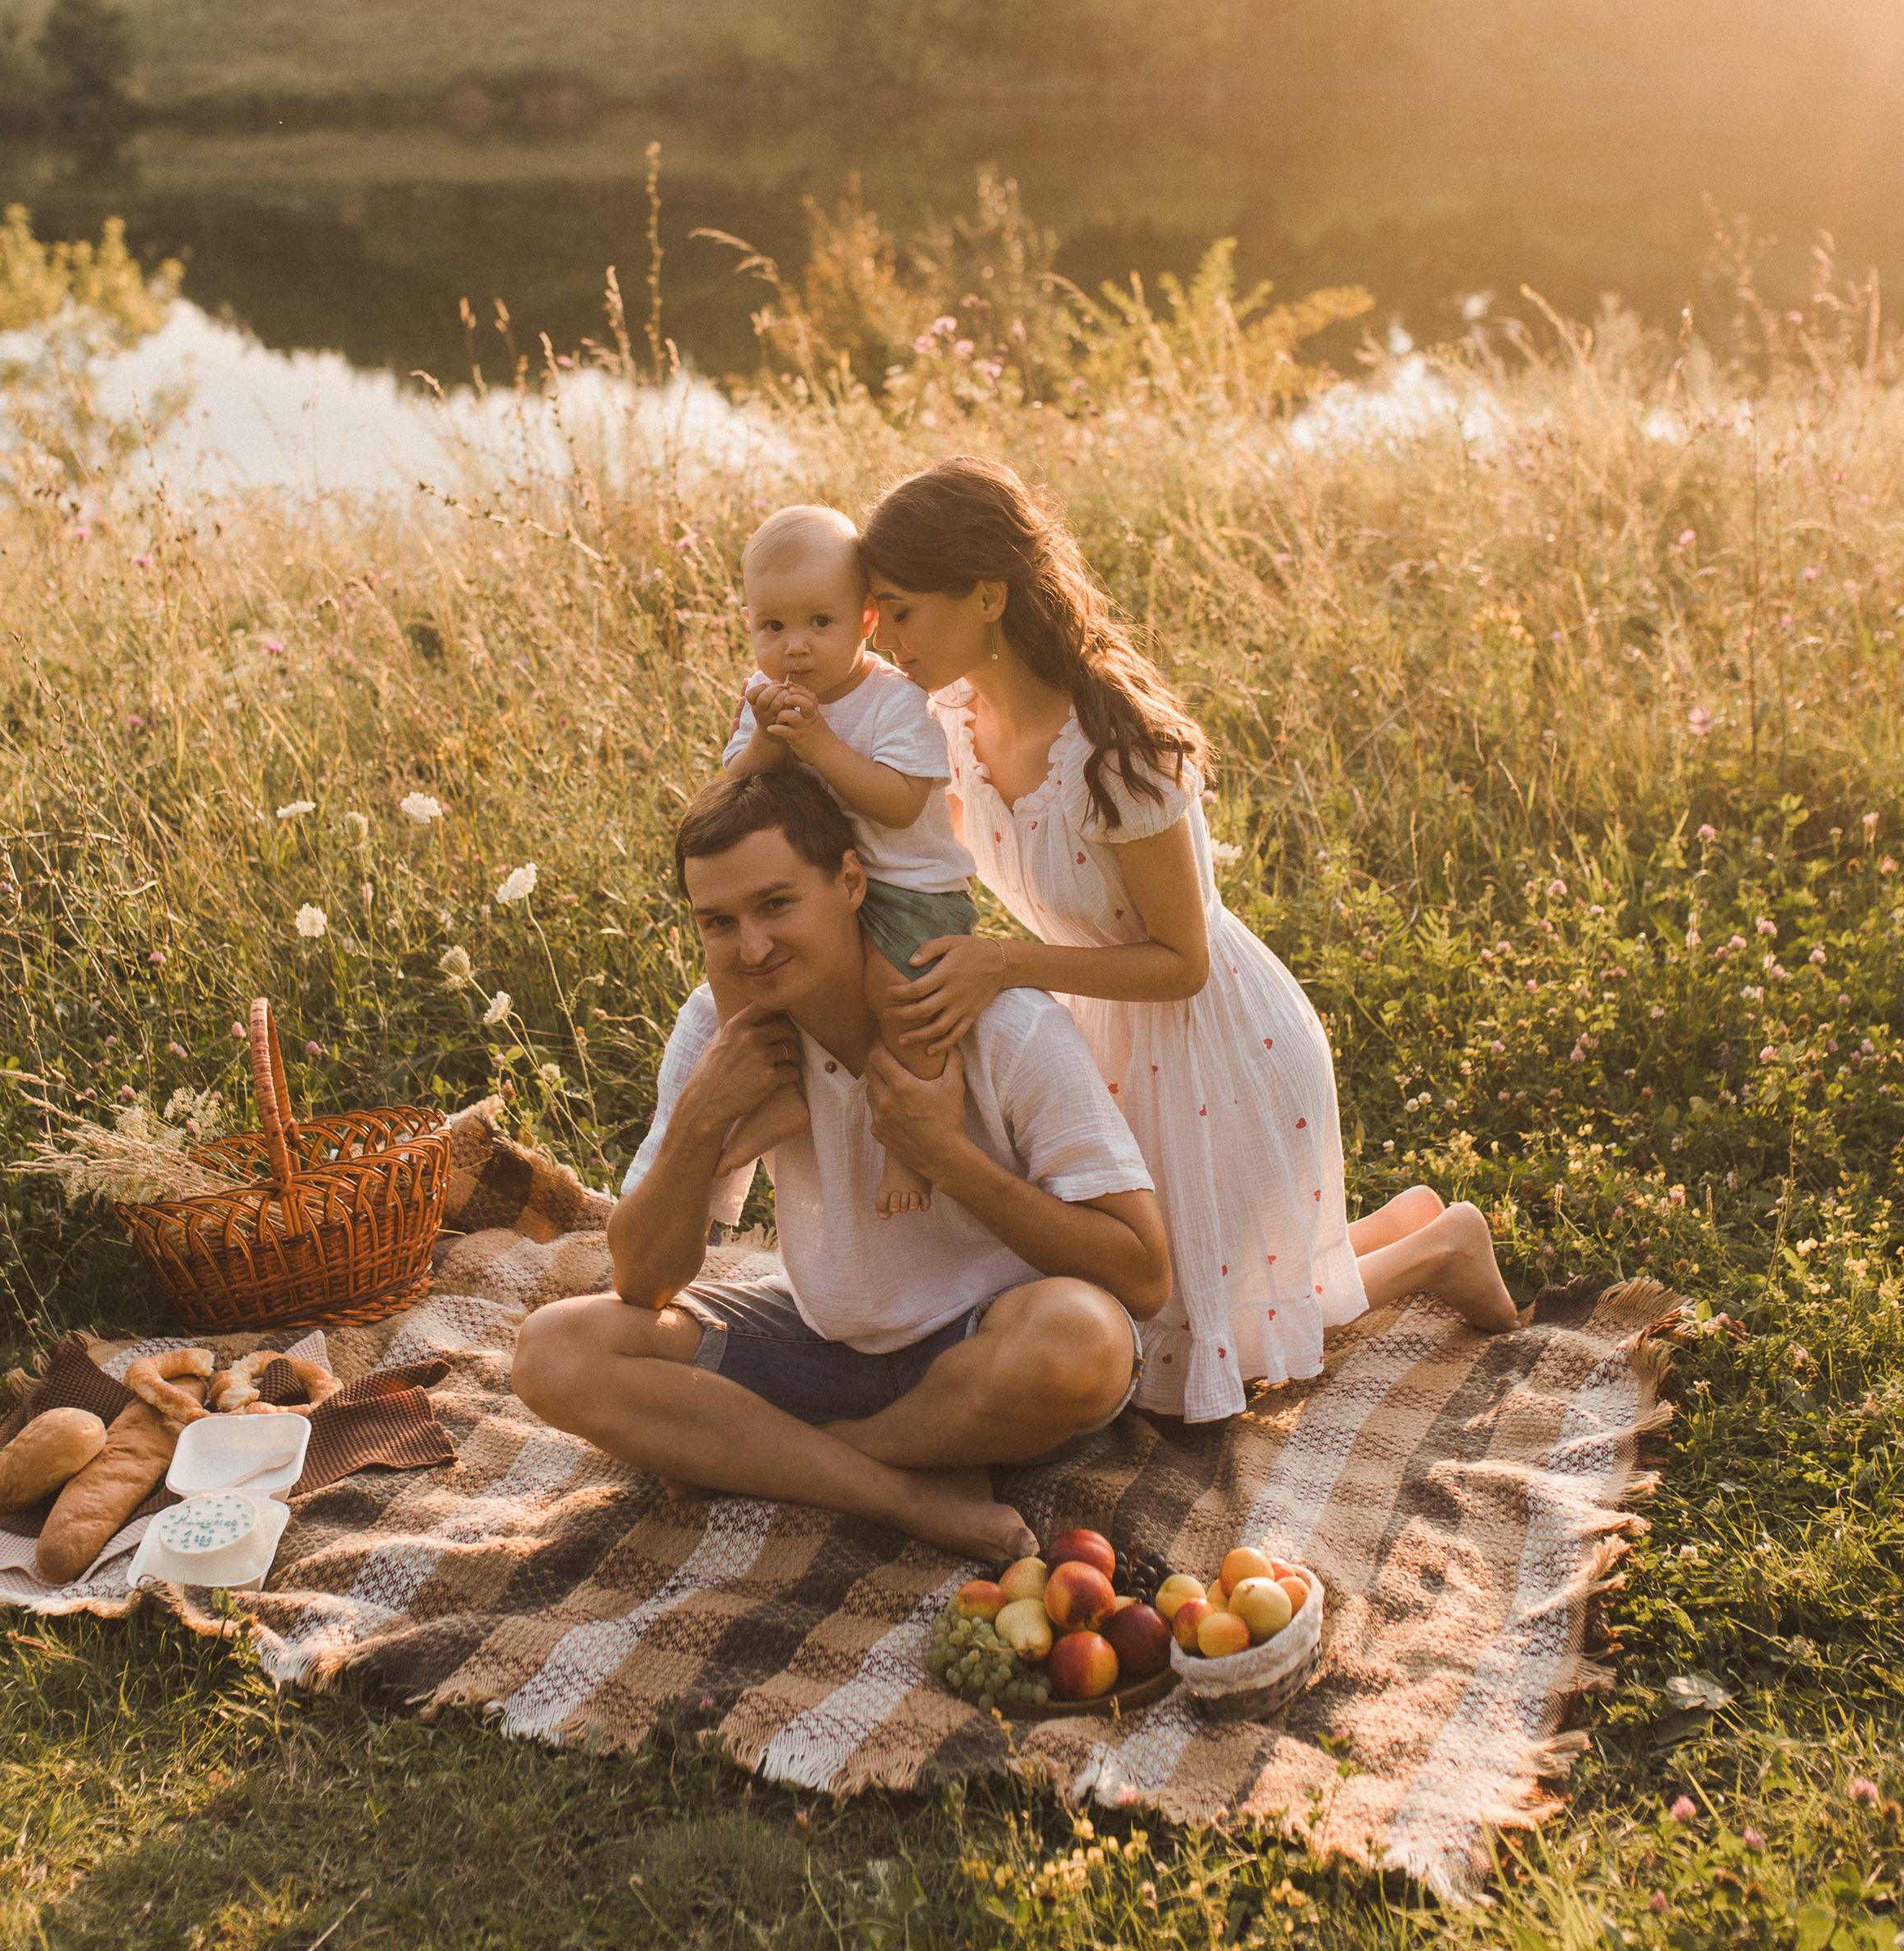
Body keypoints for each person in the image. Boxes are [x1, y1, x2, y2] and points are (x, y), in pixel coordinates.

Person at [856, 455, 1519, 1427]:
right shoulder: (948, 714)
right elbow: (919, 834)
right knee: (1152, 1304)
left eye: (901, 608)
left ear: (987, 597)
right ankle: (1399, 1227)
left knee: (1201, 1343)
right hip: (1098, 1021)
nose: (886, 637)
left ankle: (1440, 1245)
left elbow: (1183, 962)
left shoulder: (1120, 754)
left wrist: (1002, 963)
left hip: (1210, 1039)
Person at [511, 762, 1172, 1564]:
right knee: (555, 1351)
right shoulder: (719, 1031)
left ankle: (793, 1455)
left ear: (851, 881)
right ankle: (904, 1492)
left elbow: (1140, 1277)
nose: (751, 947)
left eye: (776, 904)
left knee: (1083, 1342)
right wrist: (701, 1118)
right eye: (718, 922)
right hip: (820, 1345)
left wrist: (943, 1157)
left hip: (990, 1354)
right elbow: (643, 1285)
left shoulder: (1003, 1027)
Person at [720, 499, 978, 1216]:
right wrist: (772, 741)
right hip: (826, 892)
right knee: (738, 973)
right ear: (749, 623)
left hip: (910, 886)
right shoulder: (764, 699)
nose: (794, 647)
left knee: (903, 1004)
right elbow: (733, 791)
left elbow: (899, 803)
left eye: (819, 623)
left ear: (866, 620)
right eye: (773, 626)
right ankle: (777, 1094)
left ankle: (918, 1137)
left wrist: (821, 748)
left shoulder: (896, 701)